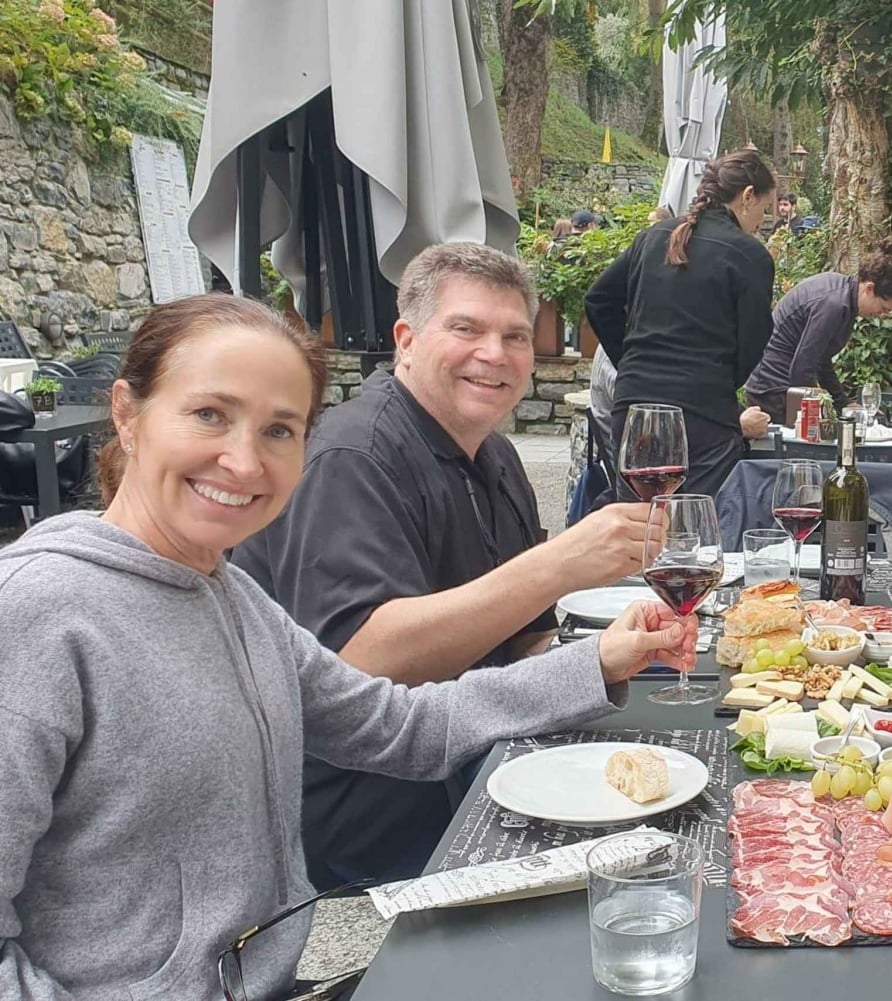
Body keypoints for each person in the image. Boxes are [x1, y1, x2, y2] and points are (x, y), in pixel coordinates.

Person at [0, 294, 695, 1000]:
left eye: (279, 429)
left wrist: (596, 662)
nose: (244, 460)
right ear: (128, 413)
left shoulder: (235, 599)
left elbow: (399, 726)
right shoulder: (38, 613)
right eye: (209, 414)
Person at [233, 244, 659, 887]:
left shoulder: (496, 455)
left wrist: (607, 650)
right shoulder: (354, 456)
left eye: (515, 336)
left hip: (484, 744)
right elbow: (361, 662)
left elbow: (522, 639)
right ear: (406, 341)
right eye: (466, 328)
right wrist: (561, 564)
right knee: (632, 876)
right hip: (378, 803)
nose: (495, 354)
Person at [585, 149, 778, 497]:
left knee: (636, 521)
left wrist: (630, 362)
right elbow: (754, 339)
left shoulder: (652, 237)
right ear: (748, 196)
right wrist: (718, 380)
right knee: (698, 521)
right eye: (765, 209)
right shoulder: (750, 255)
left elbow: (598, 300)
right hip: (702, 414)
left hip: (635, 404)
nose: (761, 223)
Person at [743, 239, 892, 424]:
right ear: (869, 288)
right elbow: (803, 368)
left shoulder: (844, 298)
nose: (882, 315)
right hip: (773, 389)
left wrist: (843, 403)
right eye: (883, 308)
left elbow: (821, 361)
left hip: (780, 383)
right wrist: (828, 412)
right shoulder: (833, 305)